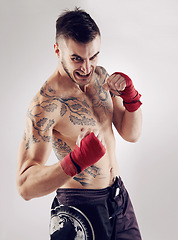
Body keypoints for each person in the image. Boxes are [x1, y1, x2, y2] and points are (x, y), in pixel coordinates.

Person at [17, 8, 142, 240]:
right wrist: (76, 161)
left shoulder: (101, 78)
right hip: (80, 208)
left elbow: (131, 134)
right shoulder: (46, 104)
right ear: (58, 50)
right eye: (76, 58)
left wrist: (131, 98)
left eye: (93, 57)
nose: (86, 68)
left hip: (118, 198)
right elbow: (24, 186)